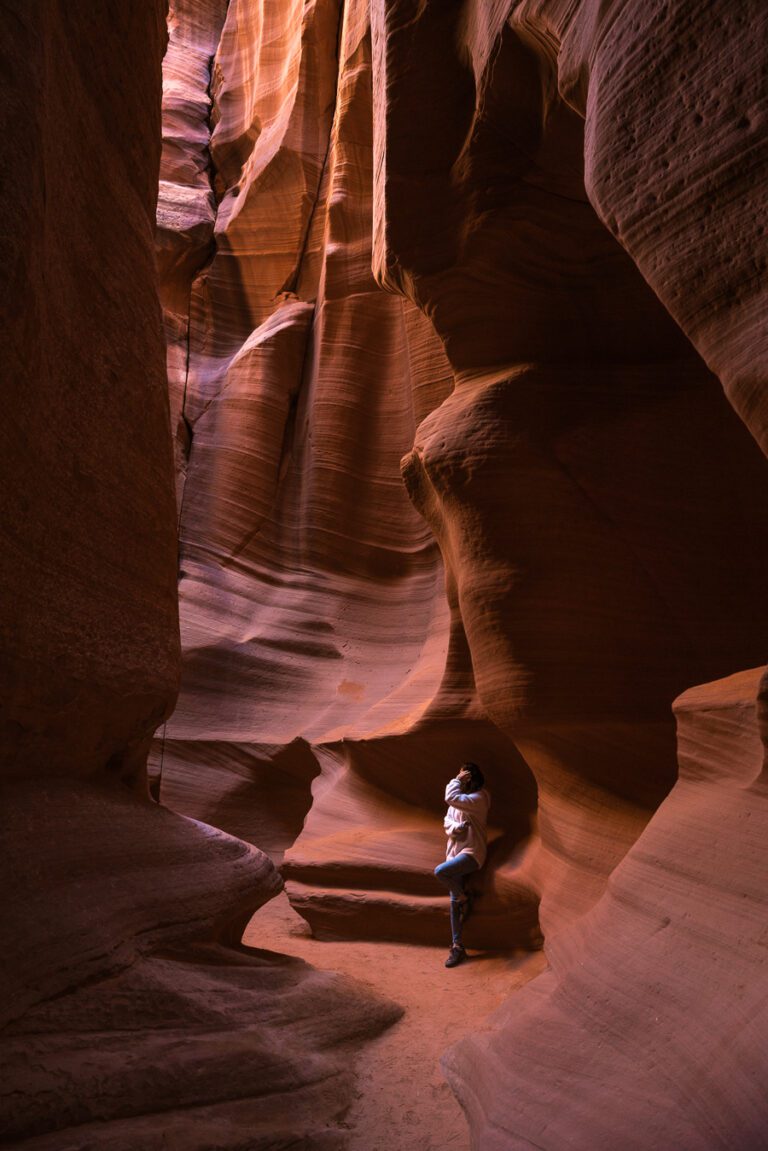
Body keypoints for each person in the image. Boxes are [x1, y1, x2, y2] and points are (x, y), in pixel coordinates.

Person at [434, 762, 490, 968]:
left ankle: (464, 896)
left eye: (466, 778)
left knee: (441, 872)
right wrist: (457, 827)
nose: (464, 782)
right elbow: (447, 824)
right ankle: (457, 947)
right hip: (454, 853)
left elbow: (451, 797)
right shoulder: (459, 804)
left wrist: (456, 780)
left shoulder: (480, 798)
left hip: (472, 853)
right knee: (453, 903)